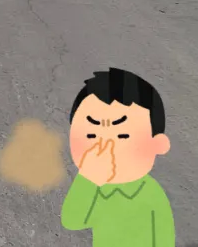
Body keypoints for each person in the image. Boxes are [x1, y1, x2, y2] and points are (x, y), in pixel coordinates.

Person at [61, 68, 174, 246]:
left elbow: (163, 239)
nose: (107, 149)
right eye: (92, 137)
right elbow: (72, 220)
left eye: (123, 136)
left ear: (157, 144)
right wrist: (88, 177)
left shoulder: (151, 196)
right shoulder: (98, 188)